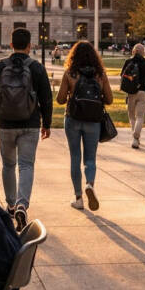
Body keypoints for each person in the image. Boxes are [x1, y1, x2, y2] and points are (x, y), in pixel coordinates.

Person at [0, 28, 52, 228]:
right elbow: (47, 99)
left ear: (11, 44)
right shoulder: (37, 68)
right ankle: (22, 204)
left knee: (8, 165)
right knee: (26, 165)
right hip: (30, 124)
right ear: (30, 46)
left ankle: (11, 205)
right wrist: (46, 124)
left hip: (5, 124)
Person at [56, 41, 113, 211]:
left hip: (72, 119)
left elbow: (60, 99)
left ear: (73, 56)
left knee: (75, 157)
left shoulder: (70, 73)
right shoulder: (100, 75)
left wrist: (70, 92)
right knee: (90, 158)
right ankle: (89, 184)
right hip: (93, 121)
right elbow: (109, 99)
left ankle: (78, 197)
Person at [120, 44, 145, 149]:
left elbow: (122, 75)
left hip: (131, 92)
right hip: (143, 91)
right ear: (143, 52)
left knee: (131, 116)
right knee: (140, 116)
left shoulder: (128, 62)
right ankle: (136, 137)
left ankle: (135, 138)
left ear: (133, 51)